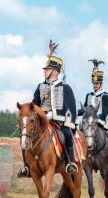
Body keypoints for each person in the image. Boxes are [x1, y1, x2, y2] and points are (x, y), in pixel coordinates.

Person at [18, 39, 78, 177]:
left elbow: (71, 107)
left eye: (47, 69)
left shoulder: (64, 87)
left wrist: (57, 117)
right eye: (45, 69)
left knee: (67, 135)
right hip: (40, 120)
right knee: (24, 137)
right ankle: (26, 167)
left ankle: (70, 162)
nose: (45, 72)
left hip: (58, 121)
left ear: (55, 72)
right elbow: (35, 104)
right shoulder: (40, 86)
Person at [78, 59, 108, 169]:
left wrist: (97, 119)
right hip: (90, 122)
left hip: (102, 122)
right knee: (78, 132)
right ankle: (78, 156)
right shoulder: (88, 95)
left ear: (101, 84)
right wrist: (76, 112)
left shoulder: (106, 96)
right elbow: (85, 109)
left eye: (97, 83)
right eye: (94, 83)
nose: (95, 85)